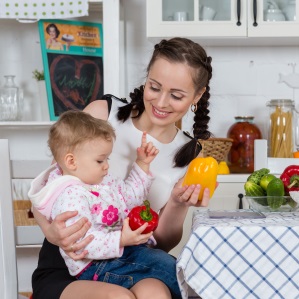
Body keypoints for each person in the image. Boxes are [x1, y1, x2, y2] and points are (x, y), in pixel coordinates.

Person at [32, 37, 213, 299]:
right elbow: (47, 190)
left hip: (131, 260)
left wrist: (177, 202)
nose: (161, 102)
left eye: (175, 95)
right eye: (154, 87)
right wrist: (51, 231)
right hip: (70, 261)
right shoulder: (102, 113)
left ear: (197, 95)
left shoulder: (189, 154)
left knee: (156, 294)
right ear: (146, 79)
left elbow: (161, 242)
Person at [29, 110, 182, 298]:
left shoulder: (102, 181)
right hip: (95, 265)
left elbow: (129, 197)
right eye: (100, 160)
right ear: (71, 161)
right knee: (167, 268)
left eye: (107, 159)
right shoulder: (70, 196)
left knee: (165, 264)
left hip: (118, 255)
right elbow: (81, 244)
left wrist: (142, 164)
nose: (106, 165)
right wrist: (120, 240)